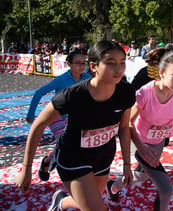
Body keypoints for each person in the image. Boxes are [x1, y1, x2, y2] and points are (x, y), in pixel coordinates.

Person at [16, 40, 136, 211]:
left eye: (122, 63)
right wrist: (26, 169)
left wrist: (126, 165)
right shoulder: (72, 95)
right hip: (73, 157)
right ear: (94, 66)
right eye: (110, 63)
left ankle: (60, 203)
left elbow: (124, 127)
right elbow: (38, 125)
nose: (118, 69)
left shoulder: (126, 92)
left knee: (88, 202)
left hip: (103, 156)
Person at [107, 52, 173, 210]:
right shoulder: (146, 93)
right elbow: (127, 123)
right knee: (166, 188)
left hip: (158, 142)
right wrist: (142, 148)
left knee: (141, 176)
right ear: (161, 73)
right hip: (139, 142)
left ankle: (112, 188)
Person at [26, 51, 90, 181]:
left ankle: (47, 160)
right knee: (67, 142)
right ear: (69, 64)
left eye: (84, 63)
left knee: (75, 143)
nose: (81, 66)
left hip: (76, 117)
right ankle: (67, 173)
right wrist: (31, 114)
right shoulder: (60, 80)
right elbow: (39, 93)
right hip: (57, 116)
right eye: (78, 63)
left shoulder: (87, 78)